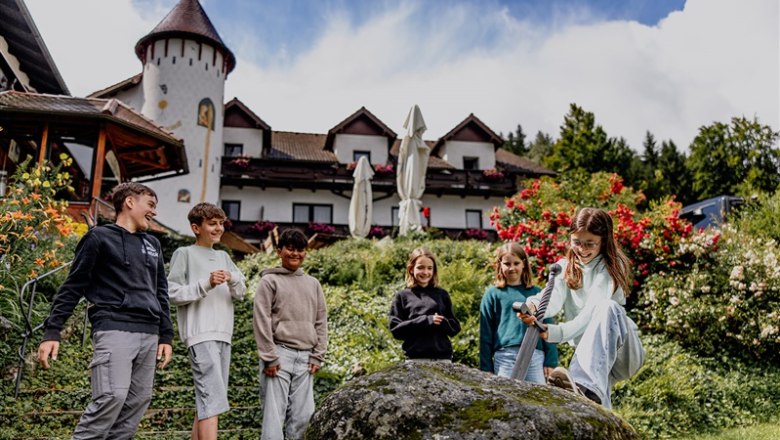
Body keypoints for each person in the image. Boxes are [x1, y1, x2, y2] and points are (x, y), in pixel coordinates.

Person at [37, 182, 173, 439]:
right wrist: (52, 331)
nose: (154, 212)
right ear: (130, 202)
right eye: (150, 205)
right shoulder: (99, 237)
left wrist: (166, 335)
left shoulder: (153, 244)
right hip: (114, 326)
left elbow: (161, 292)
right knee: (112, 395)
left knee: (138, 401)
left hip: (149, 332)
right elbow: (73, 286)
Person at [518, 207, 645, 408]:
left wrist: (558, 332)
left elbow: (591, 311)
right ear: (570, 238)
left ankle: (582, 384)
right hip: (591, 357)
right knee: (598, 402)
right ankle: (592, 402)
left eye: (590, 244)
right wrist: (533, 306)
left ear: (603, 242)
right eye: (577, 242)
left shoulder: (611, 265)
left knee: (606, 307)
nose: (582, 249)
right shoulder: (565, 266)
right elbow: (551, 297)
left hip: (623, 351)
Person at [167, 203, 246, 440]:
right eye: (212, 223)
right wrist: (206, 284)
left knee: (209, 399)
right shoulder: (184, 254)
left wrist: (231, 278)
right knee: (212, 399)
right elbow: (171, 293)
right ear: (196, 228)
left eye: (221, 223)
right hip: (200, 335)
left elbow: (241, 292)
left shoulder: (223, 256)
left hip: (224, 335)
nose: (218, 228)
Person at [252, 228, 328, 440]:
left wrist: (317, 355)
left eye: (300, 250)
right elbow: (261, 320)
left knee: (303, 418)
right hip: (279, 355)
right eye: (290, 249)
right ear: (279, 251)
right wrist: (269, 356)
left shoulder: (313, 284)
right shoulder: (269, 282)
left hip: (306, 358)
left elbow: (321, 321)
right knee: (273, 418)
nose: (295, 254)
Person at [479, 242, 558, 383]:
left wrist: (551, 361)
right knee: (506, 398)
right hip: (505, 356)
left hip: (535, 354)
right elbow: (485, 333)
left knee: (538, 399)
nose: (512, 268)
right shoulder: (492, 294)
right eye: (507, 264)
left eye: (516, 263)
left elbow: (547, 326)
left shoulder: (537, 293)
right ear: (500, 265)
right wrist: (486, 367)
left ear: (523, 264)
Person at [389, 247, 461, 361]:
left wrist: (442, 322)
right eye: (420, 267)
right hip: (415, 359)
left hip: (442, 359)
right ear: (411, 269)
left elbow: (455, 328)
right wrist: (426, 321)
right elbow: (396, 330)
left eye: (429, 268)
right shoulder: (402, 296)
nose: (426, 272)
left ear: (434, 271)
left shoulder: (442, 294)